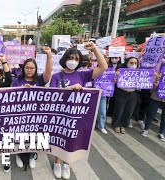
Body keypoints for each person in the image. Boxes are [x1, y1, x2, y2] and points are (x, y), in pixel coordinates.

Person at [49, 42, 108, 179]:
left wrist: (94, 48)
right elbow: (52, 95)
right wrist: (69, 88)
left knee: (72, 139)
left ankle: (66, 163)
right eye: (71, 58)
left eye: (76, 59)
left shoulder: (83, 75)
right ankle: (57, 163)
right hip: (60, 114)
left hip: (76, 115)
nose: (73, 61)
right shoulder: (57, 76)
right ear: (65, 59)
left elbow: (103, 67)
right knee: (60, 140)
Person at [11, 46, 53, 169]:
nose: (29, 70)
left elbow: (48, 72)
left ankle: (30, 156)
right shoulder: (17, 81)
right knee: (20, 136)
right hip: (20, 115)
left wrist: (49, 55)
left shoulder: (40, 80)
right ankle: (18, 154)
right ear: (23, 69)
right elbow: (9, 97)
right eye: (27, 68)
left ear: (35, 69)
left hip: (35, 115)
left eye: (32, 68)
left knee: (33, 136)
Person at [112, 57, 139, 134]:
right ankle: (116, 125)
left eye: (135, 63)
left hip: (133, 94)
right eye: (131, 63)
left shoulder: (139, 73)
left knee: (129, 111)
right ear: (127, 63)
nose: (133, 65)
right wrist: (116, 77)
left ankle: (123, 125)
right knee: (119, 110)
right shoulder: (120, 71)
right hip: (121, 93)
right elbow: (114, 81)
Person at [141, 72, 165, 142]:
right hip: (155, 98)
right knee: (151, 114)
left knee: (164, 117)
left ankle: (161, 132)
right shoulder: (158, 74)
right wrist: (156, 83)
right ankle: (146, 129)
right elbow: (151, 89)